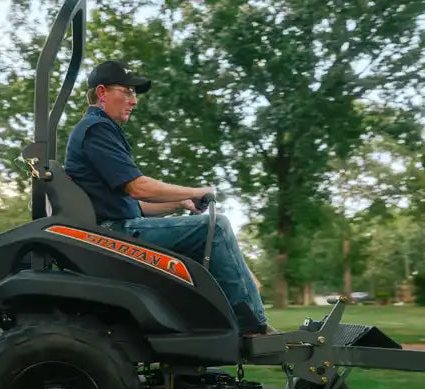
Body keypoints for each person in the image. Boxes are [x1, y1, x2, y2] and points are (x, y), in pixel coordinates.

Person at [64, 60, 273, 335]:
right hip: (114, 234)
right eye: (127, 92)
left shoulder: (100, 130)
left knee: (208, 230)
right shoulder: (96, 130)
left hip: (116, 227)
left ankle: (206, 325)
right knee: (217, 227)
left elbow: (132, 204)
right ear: (102, 93)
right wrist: (195, 191)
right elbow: (139, 188)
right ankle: (252, 325)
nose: (133, 101)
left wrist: (178, 202)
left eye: (134, 94)